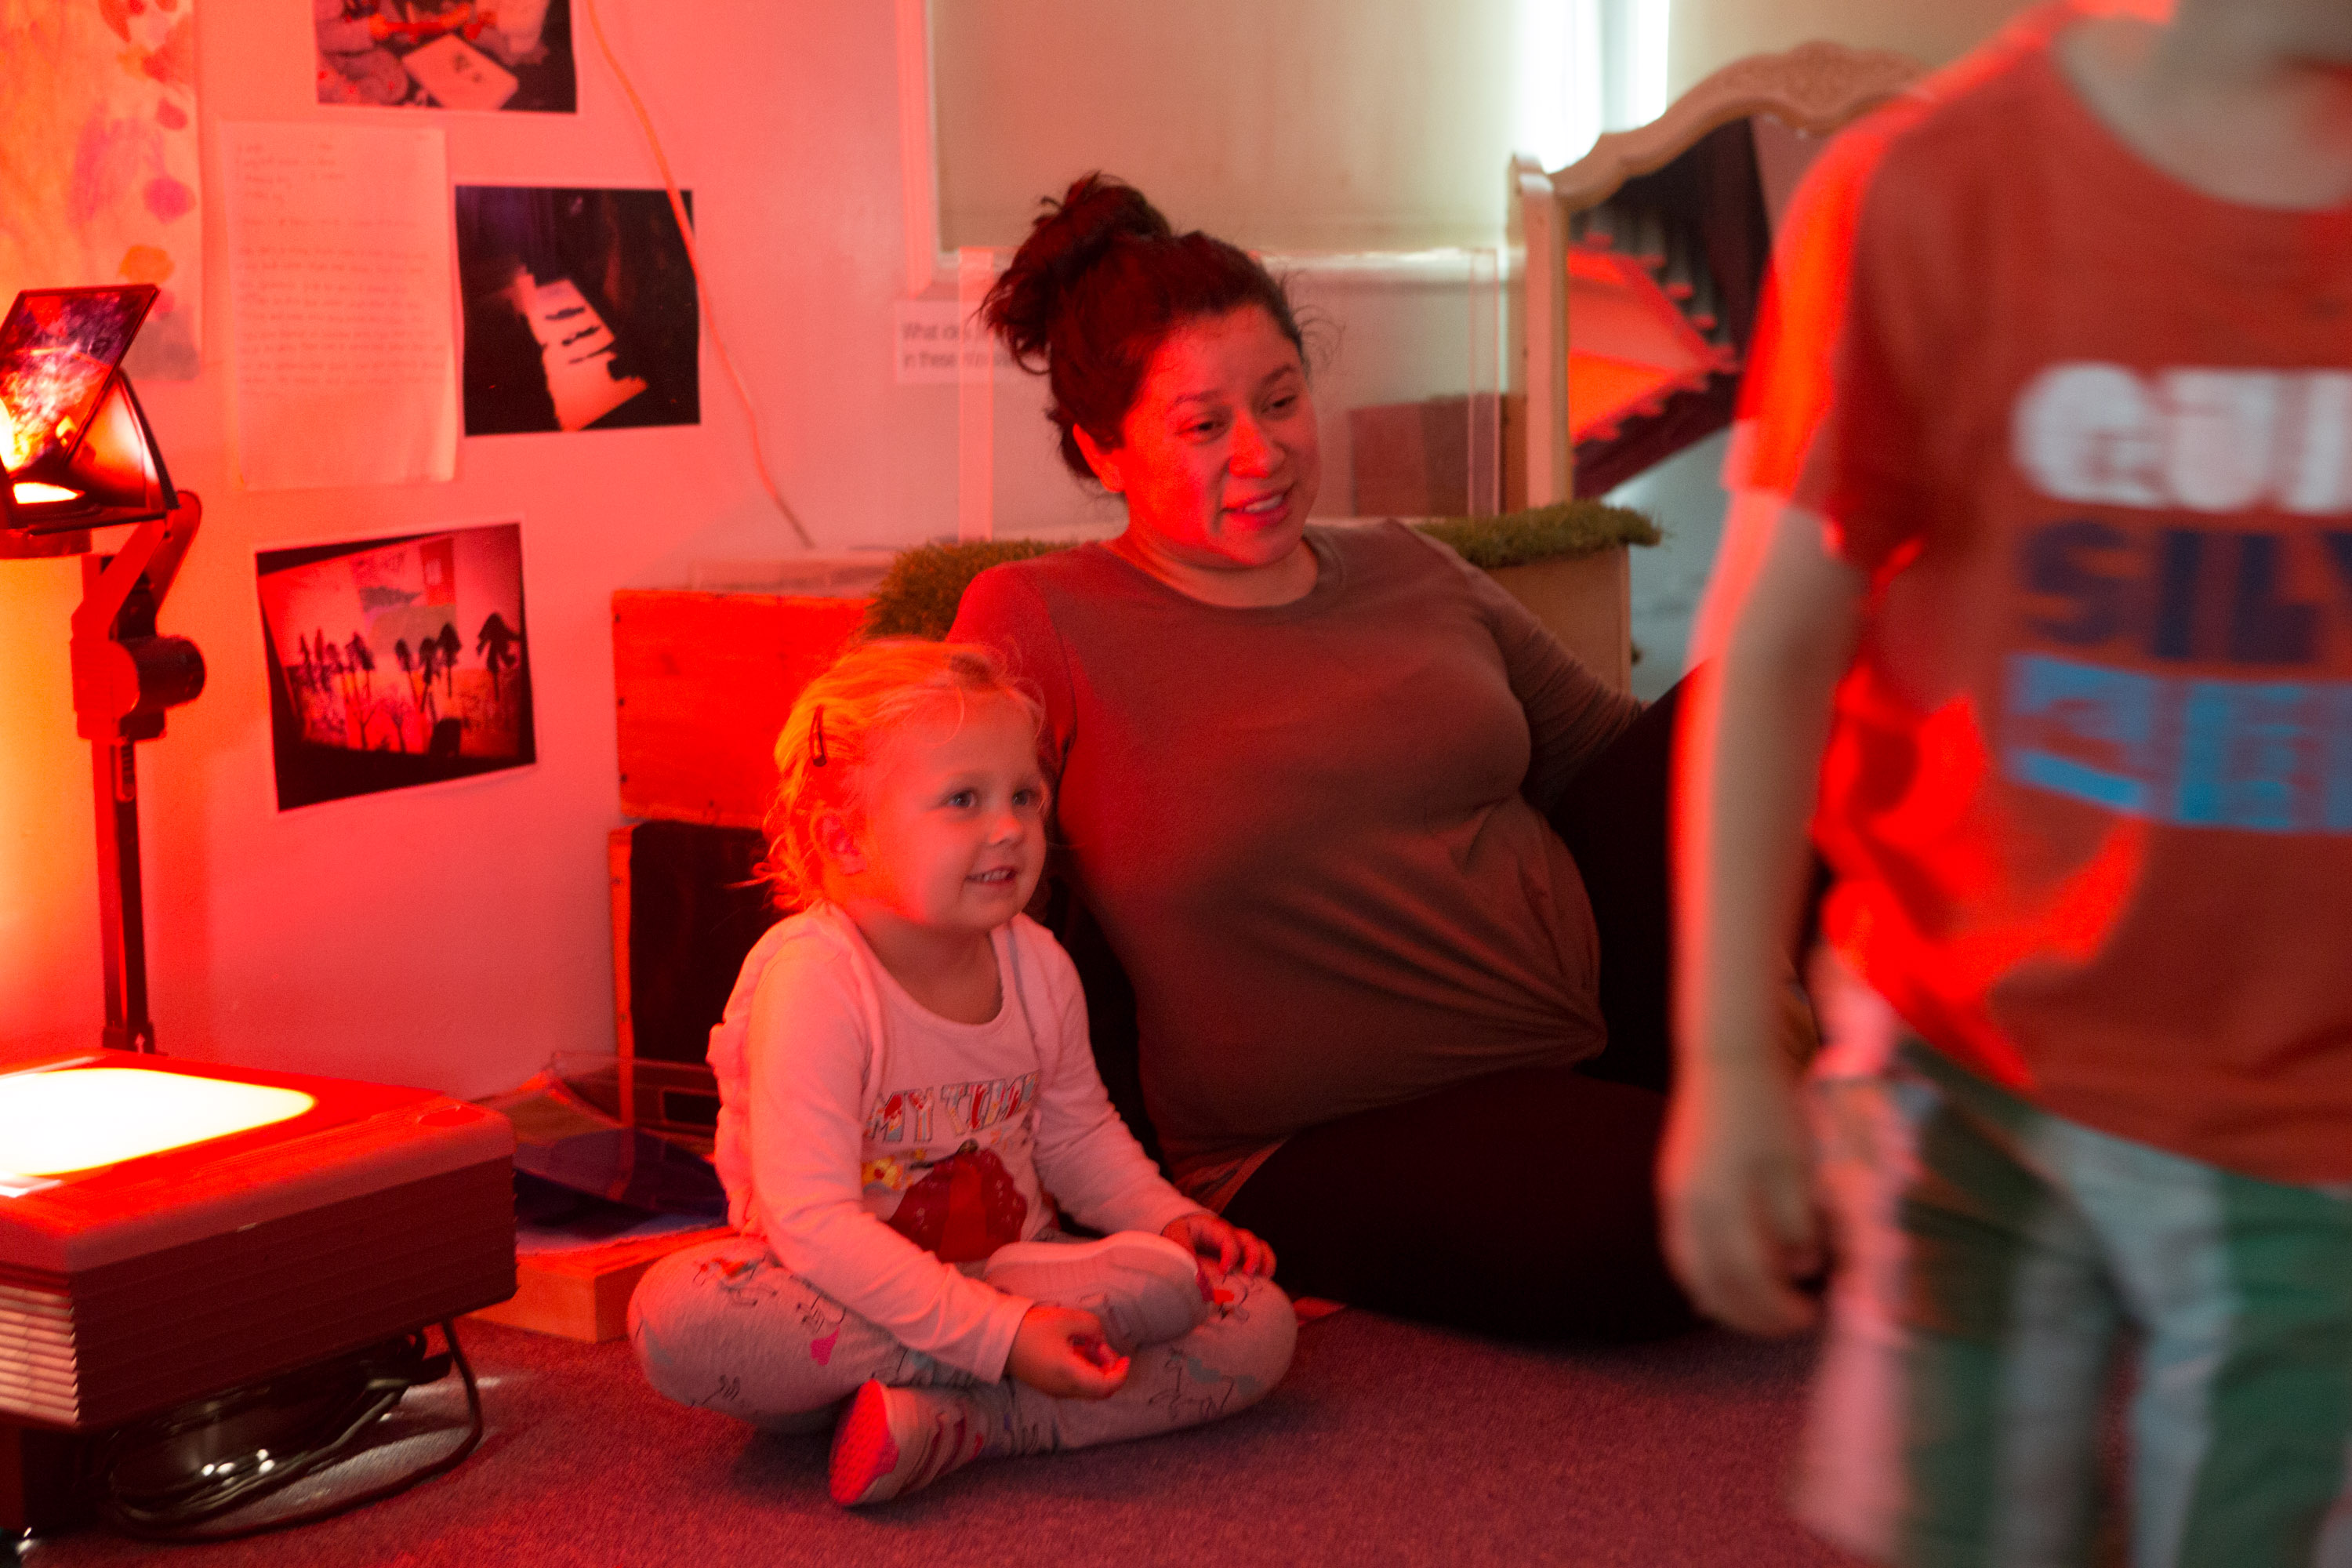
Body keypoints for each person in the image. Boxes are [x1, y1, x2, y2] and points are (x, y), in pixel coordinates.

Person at [1663, 1, 2352, 1562]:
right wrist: (1727, 1053)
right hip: (1967, 1075)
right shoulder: (1927, 192)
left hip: (2315, 1127)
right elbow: (1771, 645)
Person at [950, 173, 1723, 1341]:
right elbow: (936, 850)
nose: (1261, 453)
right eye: (1205, 426)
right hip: (1313, 1133)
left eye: (1282, 400)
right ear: (1104, 453)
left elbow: (1619, 760)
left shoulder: (1408, 562)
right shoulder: (1038, 617)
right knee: (1676, 1220)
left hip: (1592, 1015)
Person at [627, 640, 1292, 1508]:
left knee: (1258, 1320)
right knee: (678, 1316)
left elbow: (1078, 1134)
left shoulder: (1038, 964)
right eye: (963, 800)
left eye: (1024, 794)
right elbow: (813, 1224)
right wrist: (1004, 1338)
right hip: (841, 1301)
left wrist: (1166, 1218)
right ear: (845, 838)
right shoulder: (816, 980)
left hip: (1017, 1271)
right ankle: (1009, 1380)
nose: (1009, 826)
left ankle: (968, 1422)